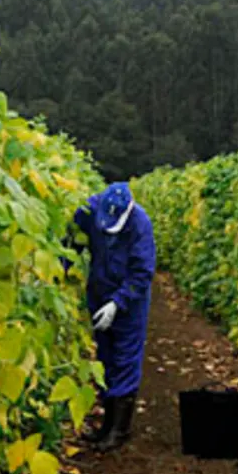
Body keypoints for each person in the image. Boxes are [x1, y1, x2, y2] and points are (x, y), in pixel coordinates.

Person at [73, 182, 157, 452]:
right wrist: (59, 268)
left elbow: (142, 273)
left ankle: (119, 430)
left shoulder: (140, 225)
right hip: (98, 292)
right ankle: (106, 425)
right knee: (105, 357)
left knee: (125, 359)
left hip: (128, 303)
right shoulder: (88, 210)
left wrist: (118, 303)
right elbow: (72, 240)